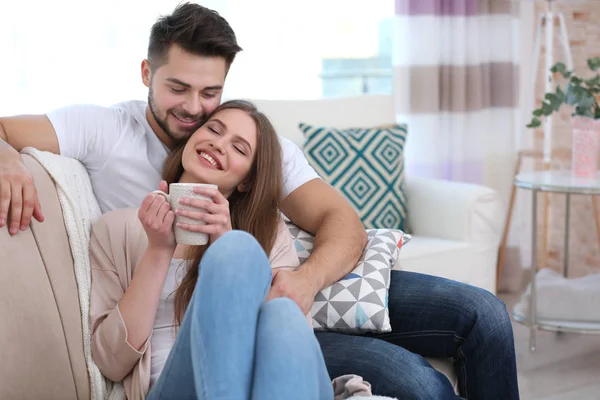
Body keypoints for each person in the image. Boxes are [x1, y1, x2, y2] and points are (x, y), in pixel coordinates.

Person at [0, 3, 519, 399]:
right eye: (178, 88)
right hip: (187, 328)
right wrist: (7, 159)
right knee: (417, 381)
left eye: (210, 95)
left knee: (484, 315)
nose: (195, 111)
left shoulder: (260, 186)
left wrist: (299, 281)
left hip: (290, 295)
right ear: (146, 74)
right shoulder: (110, 143)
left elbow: (341, 222)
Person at [89, 100, 333, 399]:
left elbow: (292, 345)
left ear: (246, 181)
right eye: (214, 130)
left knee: (282, 312)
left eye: (239, 148)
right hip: (173, 387)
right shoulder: (117, 228)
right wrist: (158, 251)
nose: (219, 145)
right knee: (240, 251)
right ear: (192, 138)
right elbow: (110, 362)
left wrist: (224, 243)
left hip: (262, 387)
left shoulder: (269, 234)